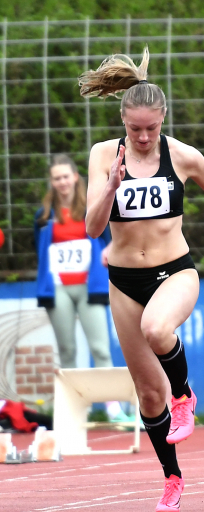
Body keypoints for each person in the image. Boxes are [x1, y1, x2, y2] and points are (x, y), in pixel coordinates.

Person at [79, 48, 204, 512]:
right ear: (123, 123)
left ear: (163, 118)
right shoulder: (102, 156)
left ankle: (185, 392)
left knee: (158, 329)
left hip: (175, 271)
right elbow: (92, 229)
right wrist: (111, 185)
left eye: (152, 128)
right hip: (124, 281)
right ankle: (172, 477)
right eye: (135, 130)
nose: (145, 137)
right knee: (149, 394)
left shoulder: (183, 155)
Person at [34, 155, 128, 423]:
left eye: (66, 176)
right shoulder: (43, 215)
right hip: (59, 288)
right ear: (51, 182)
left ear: (75, 177)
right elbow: (39, 248)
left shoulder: (93, 207)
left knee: (100, 348)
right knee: (67, 350)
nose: (62, 182)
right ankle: (75, 411)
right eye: (56, 178)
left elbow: (112, 239)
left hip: (90, 286)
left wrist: (109, 251)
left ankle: (113, 409)